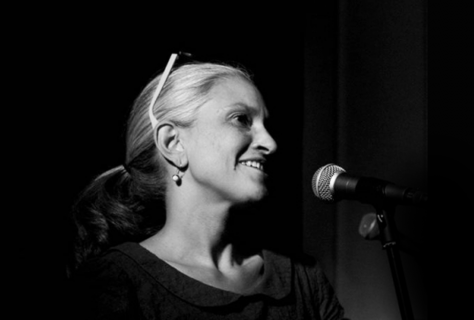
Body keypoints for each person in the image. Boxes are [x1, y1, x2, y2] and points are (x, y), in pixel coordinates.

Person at [66, 53, 345, 319]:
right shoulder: (113, 284)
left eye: (265, 125)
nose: (271, 144)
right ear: (173, 143)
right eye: (242, 119)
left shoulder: (302, 278)